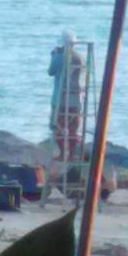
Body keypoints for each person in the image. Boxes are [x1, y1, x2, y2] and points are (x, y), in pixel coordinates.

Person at [48, 31, 85, 160]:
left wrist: (54, 56)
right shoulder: (80, 58)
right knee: (74, 128)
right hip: (76, 100)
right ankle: (72, 154)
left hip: (60, 99)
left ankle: (63, 153)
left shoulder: (59, 57)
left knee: (57, 126)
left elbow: (50, 72)